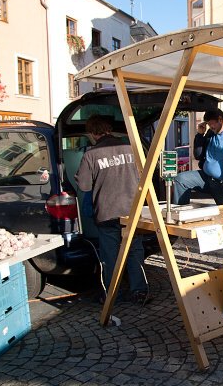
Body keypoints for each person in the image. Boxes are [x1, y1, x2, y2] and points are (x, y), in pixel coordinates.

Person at [75, 115, 149, 305]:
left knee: (110, 255)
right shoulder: (130, 148)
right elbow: (145, 175)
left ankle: (112, 295)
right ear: (109, 129)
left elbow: (84, 186)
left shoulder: (91, 155)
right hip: (132, 210)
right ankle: (140, 292)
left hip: (107, 212)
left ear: (92, 133)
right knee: (134, 251)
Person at [173, 108, 223, 205]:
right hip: (207, 179)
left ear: (220, 119)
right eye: (208, 124)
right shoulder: (211, 133)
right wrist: (200, 135)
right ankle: (180, 211)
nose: (210, 127)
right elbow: (198, 155)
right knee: (181, 179)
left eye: (211, 123)